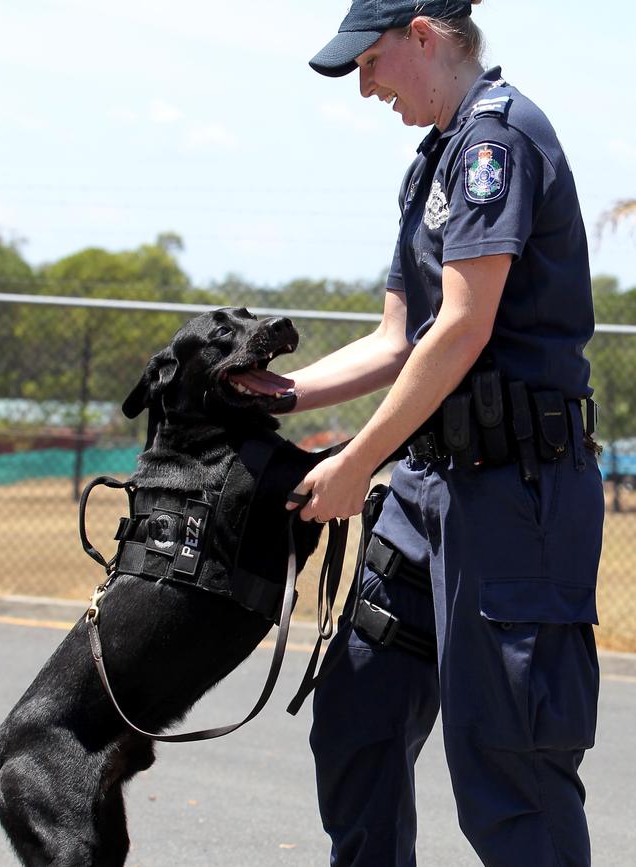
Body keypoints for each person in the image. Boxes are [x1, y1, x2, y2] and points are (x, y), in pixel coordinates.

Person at [269, 2, 603, 864]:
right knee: (357, 721)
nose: (364, 86)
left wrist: (356, 460)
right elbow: (395, 340)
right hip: (426, 495)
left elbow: (460, 327)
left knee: (509, 776)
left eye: (370, 63)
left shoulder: (499, 142)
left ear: (422, 35)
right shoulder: (432, 165)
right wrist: (264, 396)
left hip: (513, 497)